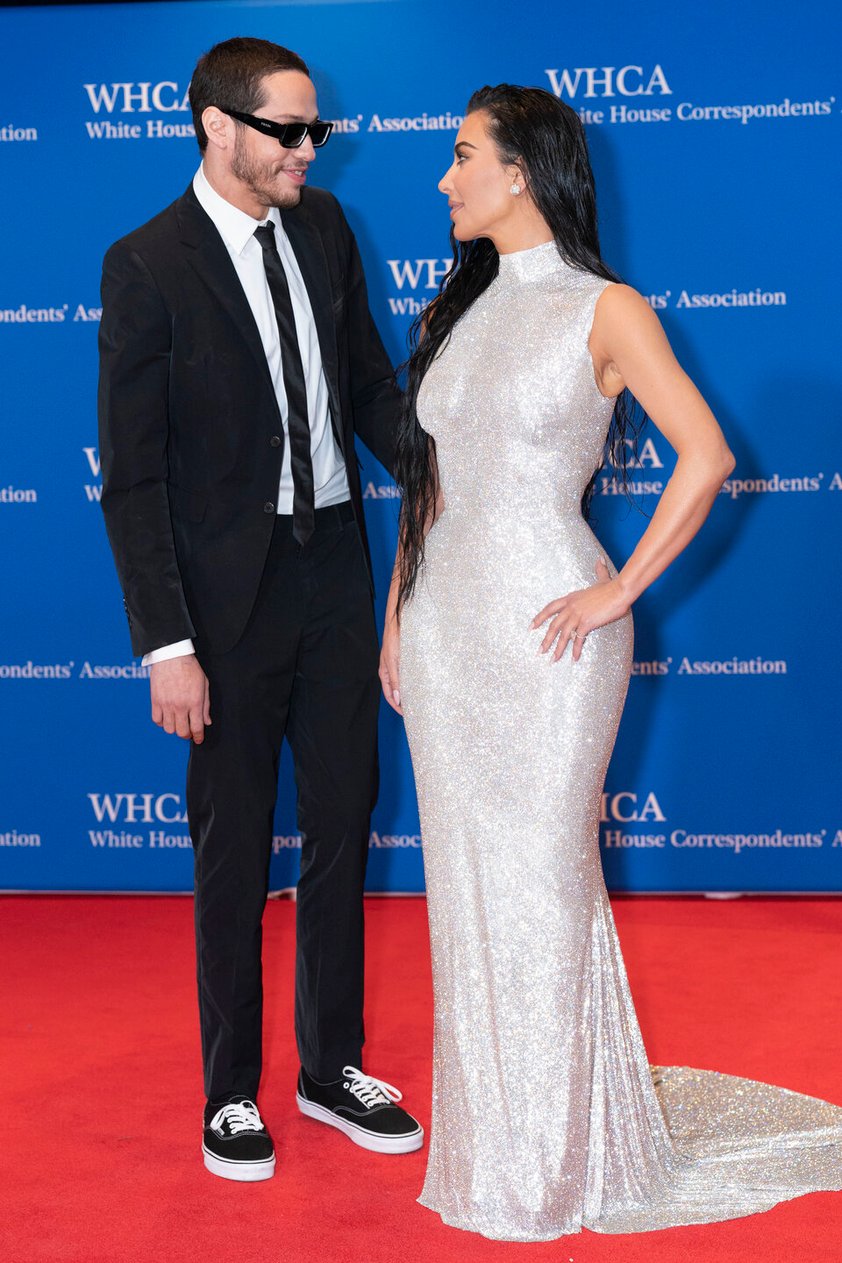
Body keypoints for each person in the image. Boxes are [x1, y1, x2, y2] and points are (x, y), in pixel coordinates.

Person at [379, 84, 842, 1240]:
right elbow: (425, 491)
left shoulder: (605, 309)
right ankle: (499, 1146)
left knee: (539, 882)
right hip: (443, 636)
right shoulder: (456, 312)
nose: (443, 179)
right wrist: (396, 618)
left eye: (461, 156)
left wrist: (618, 587)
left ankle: (558, 1161)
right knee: (467, 894)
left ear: (521, 171)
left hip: (553, 635)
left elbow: (705, 453)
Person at [98, 36, 422, 1183]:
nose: (306, 151)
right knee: (235, 848)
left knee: (345, 821)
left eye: (315, 131)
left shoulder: (326, 231)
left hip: (334, 568)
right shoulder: (146, 264)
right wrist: (166, 644)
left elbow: (372, 392)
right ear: (215, 127)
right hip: (224, 602)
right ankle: (230, 1091)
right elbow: (133, 478)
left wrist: (447, 459)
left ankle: (330, 1065)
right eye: (287, 131)